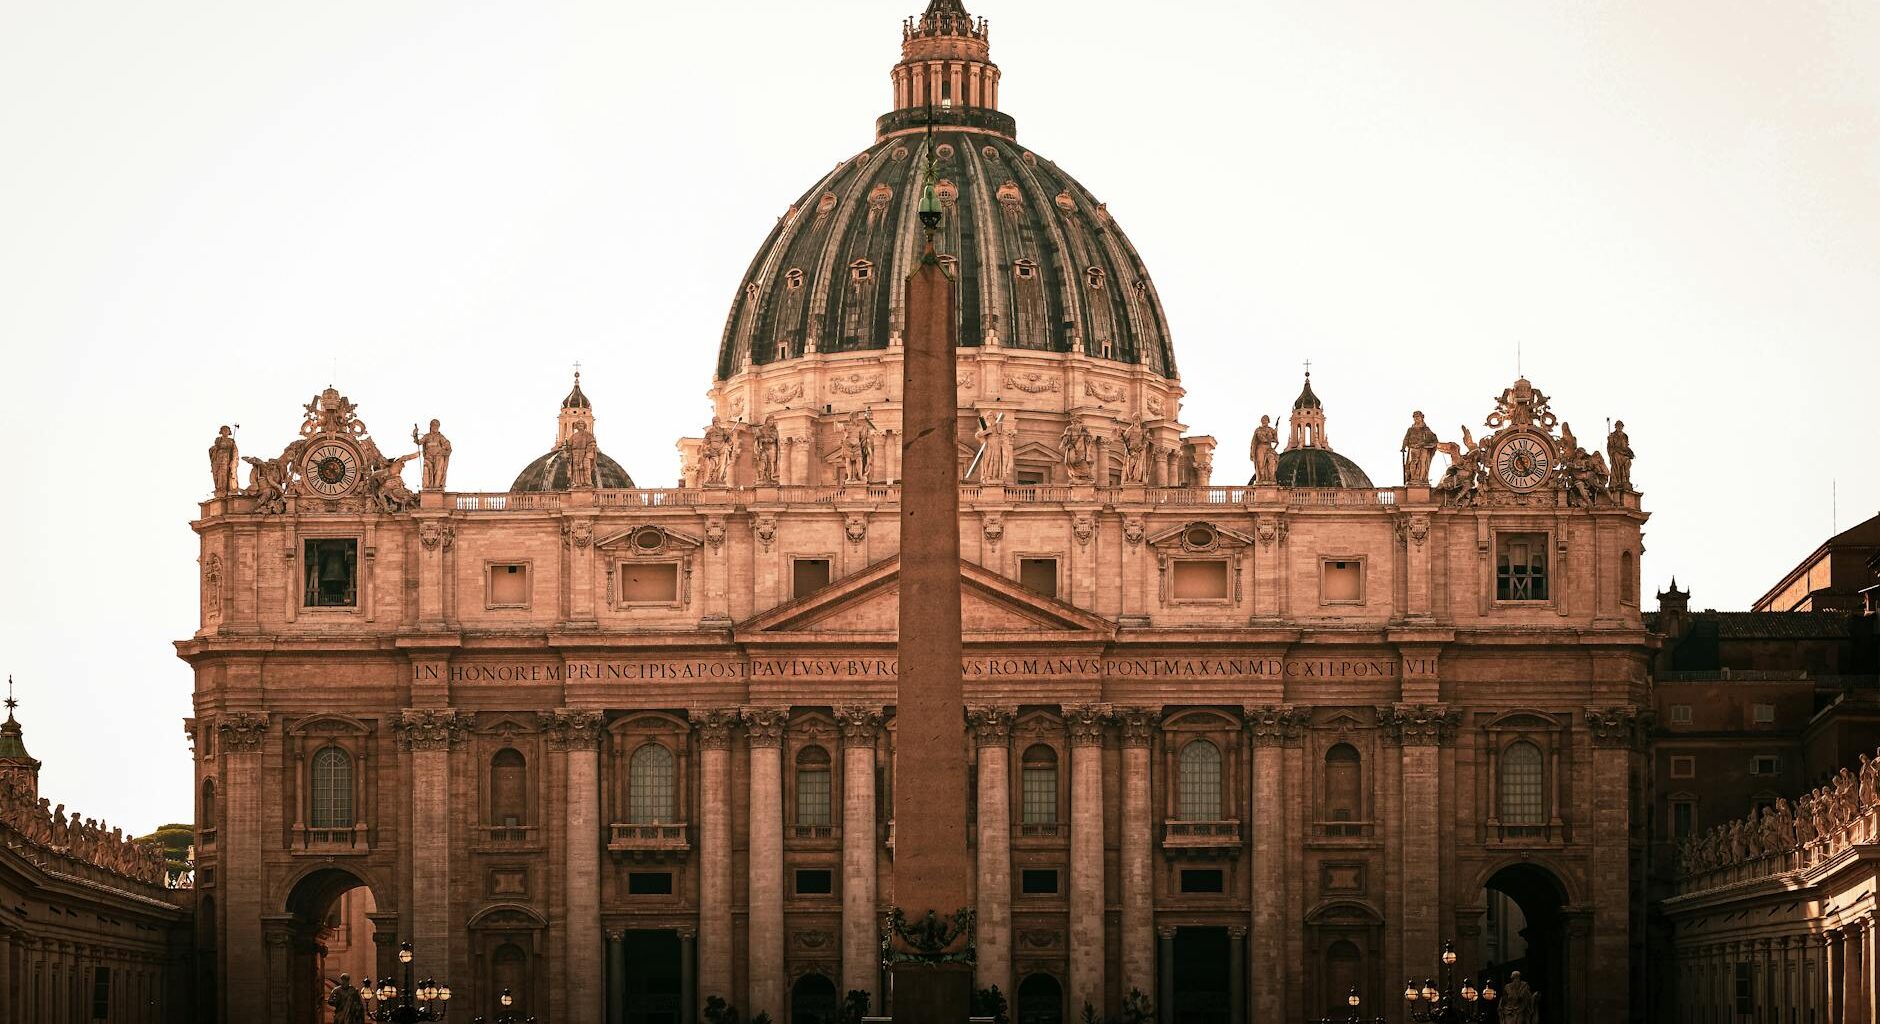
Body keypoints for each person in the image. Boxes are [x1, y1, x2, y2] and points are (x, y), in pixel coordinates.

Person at [411, 419, 452, 490]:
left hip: (438, 458)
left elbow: (448, 447)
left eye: (437, 426)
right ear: (430, 426)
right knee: (427, 472)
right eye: (434, 426)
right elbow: (419, 442)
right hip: (428, 457)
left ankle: (437, 488)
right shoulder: (427, 436)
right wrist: (415, 435)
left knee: (438, 472)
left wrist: (444, 452)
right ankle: (427, 488)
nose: (435, 428)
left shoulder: (440, 437)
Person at [1400, 411, 1438, 485]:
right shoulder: (1410, 429)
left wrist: (1427, 444)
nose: (1416, 418)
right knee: (1413, 462)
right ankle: (1413, 478)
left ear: (1422, 418)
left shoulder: (1426, 429)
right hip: (1413, 447)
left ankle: (1421, 479)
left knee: (1422, 463)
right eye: (1415, 417)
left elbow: (1434, 439)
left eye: (1418, 417)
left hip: (1424, 448)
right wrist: (1403, 446)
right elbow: (1406, 438)